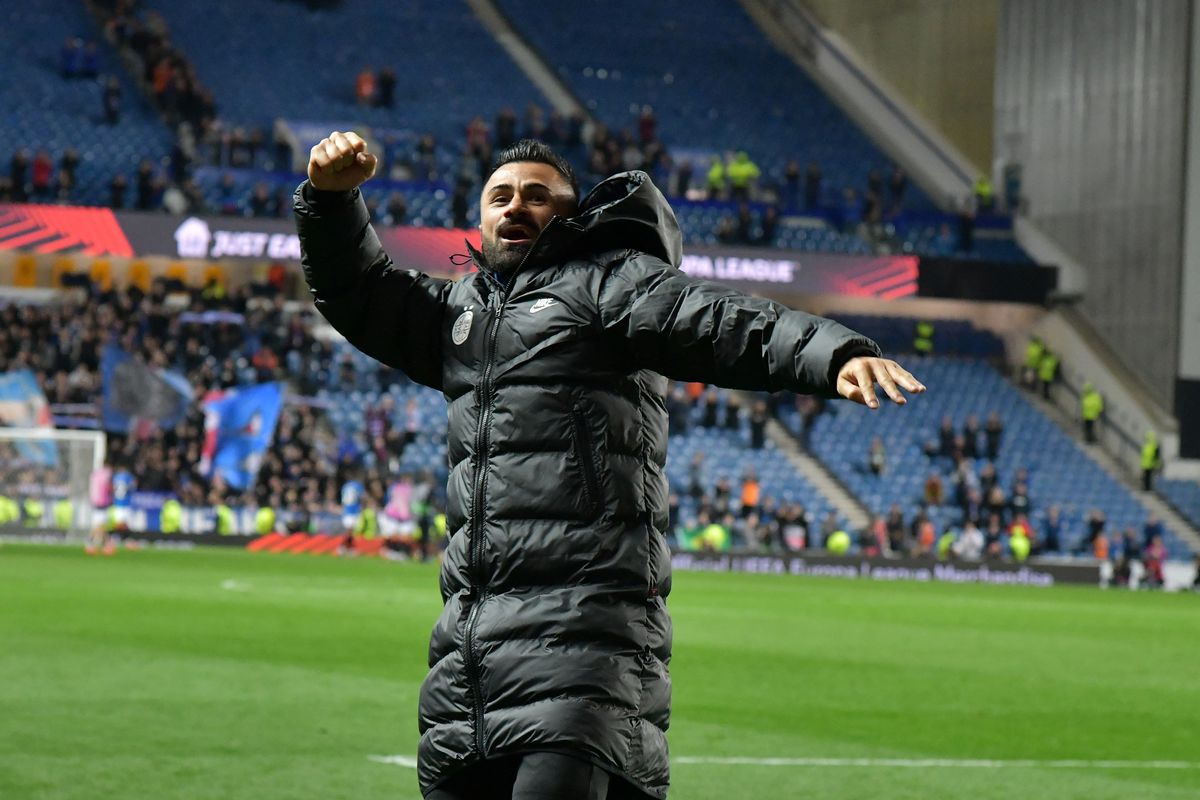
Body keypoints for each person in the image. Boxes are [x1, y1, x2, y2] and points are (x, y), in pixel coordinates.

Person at [295, 131, 924, 800]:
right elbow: (358, 290)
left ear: (572, 215)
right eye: (500, 196)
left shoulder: (609, 285)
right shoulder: (459, 314)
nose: (516, 207)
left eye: (538, 196)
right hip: (471, 654)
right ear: (478, 218)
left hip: (587, 636)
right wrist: (331, 204)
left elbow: (718, 320)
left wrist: (832, 353)